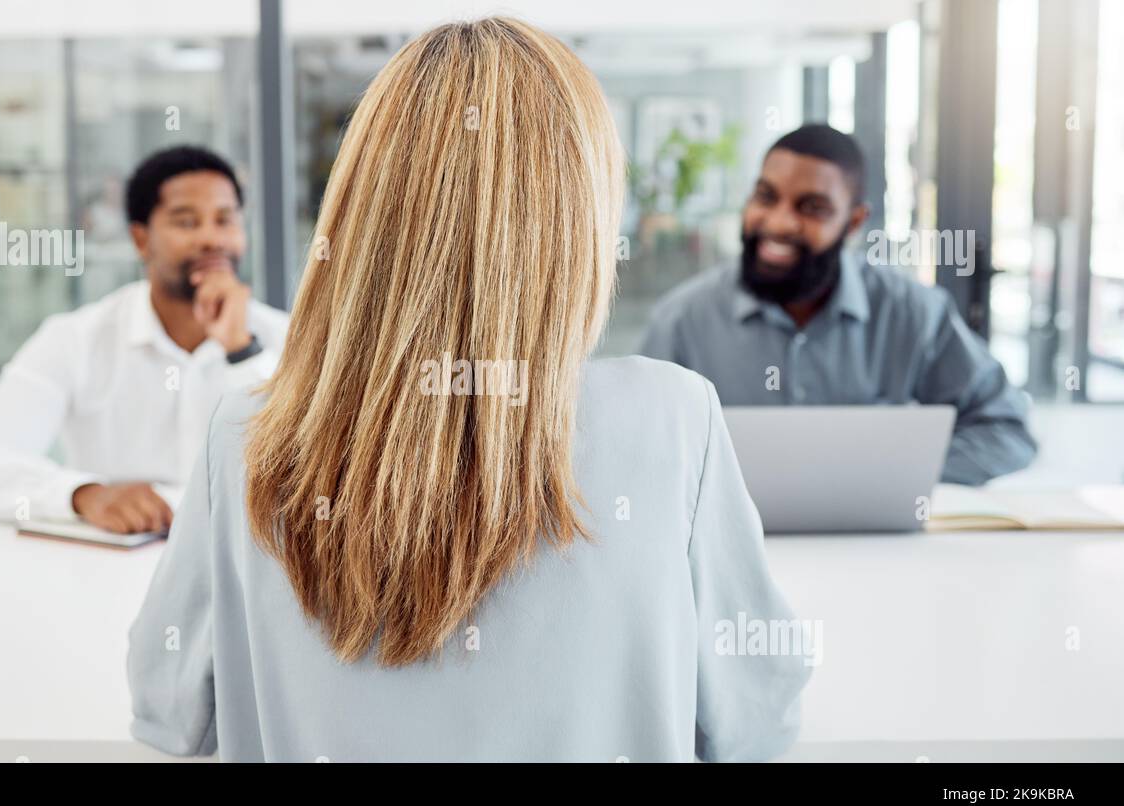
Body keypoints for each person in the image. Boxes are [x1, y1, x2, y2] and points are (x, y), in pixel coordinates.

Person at [127, 17, 809, 762]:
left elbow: (169, 710)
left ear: (360, 209)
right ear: (579, 215)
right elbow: (754, 718)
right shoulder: (673, 419)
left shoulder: (246, 434)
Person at [638, 124, 1037, 486]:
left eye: (812, 208)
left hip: (874, 555)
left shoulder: (913, 313)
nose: (779, 223)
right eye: (766, 197)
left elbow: (1007, 429)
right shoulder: (682, 320)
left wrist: (895, 478)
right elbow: (640, 445)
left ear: (853, 223)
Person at [0, 146, 289, 533]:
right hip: (113, 565)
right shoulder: (75, 339)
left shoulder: (288, 337)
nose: (211, 239)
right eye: (186, 222)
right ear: (141, 239)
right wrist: (86, 495)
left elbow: (304, 474)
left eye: (225, 220)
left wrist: (241, 350)